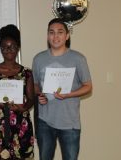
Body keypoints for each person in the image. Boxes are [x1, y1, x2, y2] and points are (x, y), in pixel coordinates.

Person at [32, 18, 92, 160]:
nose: (55, 36)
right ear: (47, 36)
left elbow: (88, 86)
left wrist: (69, 94)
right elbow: (35, 85)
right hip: (44, 121)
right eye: (51, 32)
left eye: (60, 32)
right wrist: (40, 94)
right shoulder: (38, 59)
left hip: (69, 122)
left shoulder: (78, 58)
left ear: (67, 35)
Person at [0, 24, 35, 159]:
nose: (8, 50)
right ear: (0, 48)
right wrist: (2, 103)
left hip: (21, 122)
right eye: (5, 47)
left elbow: (31, 99)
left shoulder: (27, 73)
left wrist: (22, 107)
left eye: (12, 46)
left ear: (18, 48)